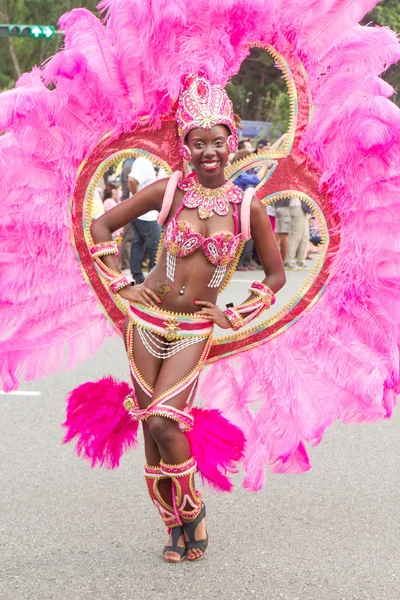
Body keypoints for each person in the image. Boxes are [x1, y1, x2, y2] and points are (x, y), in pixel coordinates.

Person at [87, 76, 285, 563]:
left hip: (193, 331)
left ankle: (193, 512)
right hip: (145, 322)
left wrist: (235, 314)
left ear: (231, 143)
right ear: (187, 148)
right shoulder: (170, 190)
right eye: (199, 144)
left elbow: (277, 276)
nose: (209, 152)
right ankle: (172, 526)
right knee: (150, 433)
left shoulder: (247, 208)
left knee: (164, 420)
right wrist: (121, 282)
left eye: (217, 142)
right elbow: (101, 224)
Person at [128, 157, 161, 284]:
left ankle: (137, 276)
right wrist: (138, 200)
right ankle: (153, 277)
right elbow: (132, 180)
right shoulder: (144, 162)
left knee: (138, 243)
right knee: (155, 245)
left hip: (141, 213)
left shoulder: (142, 160)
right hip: (146, 215)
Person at [285, 197, 311, 270]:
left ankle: (301, 260)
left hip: (305, 206)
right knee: (295, 235)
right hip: (297, 205)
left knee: (305, 236)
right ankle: (289, 260)